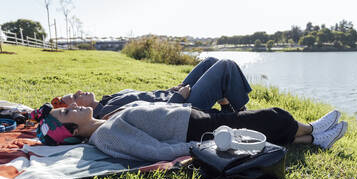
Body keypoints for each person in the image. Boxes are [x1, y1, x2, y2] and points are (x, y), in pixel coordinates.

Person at [30, 102, 348, 162]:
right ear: (72, 128)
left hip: (191, 115)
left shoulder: (102, 122)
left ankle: (313, 140)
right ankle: (311, 129)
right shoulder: (105, 136)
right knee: (271, 116)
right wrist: (199, 145)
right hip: (196, 128)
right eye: (68, 112)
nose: (73, 105)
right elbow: (153, 151)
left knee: (260, 127)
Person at [51, 57, 252, 118]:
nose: (79, 92)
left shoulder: (106, 100)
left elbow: (147, 98)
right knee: (226, 66)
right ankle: (241, 115)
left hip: (171, 96)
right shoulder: (108, 113)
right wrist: (178, 99)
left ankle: (229, 107)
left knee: (210, 62)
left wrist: (169, 91)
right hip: (181, 108)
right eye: (74, 97)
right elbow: (149, 117)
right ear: (76, 110)